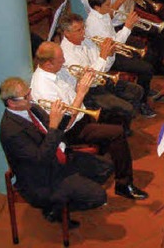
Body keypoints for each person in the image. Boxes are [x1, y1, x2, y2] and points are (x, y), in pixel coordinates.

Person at [31, 42, 149, 201]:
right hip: (70, 130)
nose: (65, 61)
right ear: (48, 64)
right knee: (117, 133)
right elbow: (65, 122)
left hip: (81, 115)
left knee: (118, 115)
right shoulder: (43, 87)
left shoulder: (57, 70)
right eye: (61, 59)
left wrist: (85, 77)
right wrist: (80, 93)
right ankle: (123, 184)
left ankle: (104, 163)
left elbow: (73, 88)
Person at [0, 77, 107, 228]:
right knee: (99, 196)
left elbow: (59, 130)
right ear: (12, 103)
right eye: (26, 96)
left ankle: (70, 195)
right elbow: (41, 160)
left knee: (105, 168)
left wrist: (64, 114)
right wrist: (53, 127)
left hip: (57, 158)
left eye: (29, 92)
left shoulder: (31, 108)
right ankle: (54, 210)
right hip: (41, 179)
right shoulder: (11, 131)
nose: (31, 97)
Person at [58, 13, 155, 121]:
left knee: (137, 90)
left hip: (102, 80)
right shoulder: (65, 54)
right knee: (127, 109)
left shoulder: (86, 40)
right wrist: (103, 56)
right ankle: (119, 126)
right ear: (67, 33)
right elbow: (90, 79)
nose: (83, 32)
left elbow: (105, 68)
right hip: (90, 91)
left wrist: (110, 54)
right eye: (79, 30)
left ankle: (123, 121)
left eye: (83, 28)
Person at [86, 0, 157, 103]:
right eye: (107, 5)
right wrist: (128, 27)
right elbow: (115, 45)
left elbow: (113, 36)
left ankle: (145, 89)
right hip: (110, 58)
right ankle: (142, 103)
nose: (111, 8)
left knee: (148, 54)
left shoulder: (102, 14)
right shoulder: (94, 24)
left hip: (116, 49)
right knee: (146, 69)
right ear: (97, 7)